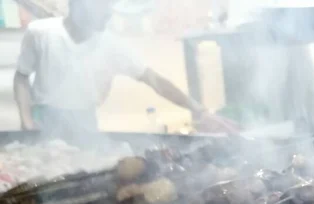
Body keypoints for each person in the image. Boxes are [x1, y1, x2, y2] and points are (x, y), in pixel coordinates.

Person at [14, 0, 237, 139]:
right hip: (45, 119)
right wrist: (26, 119)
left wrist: (200, 111)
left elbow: (154, 81)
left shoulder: (112, 44)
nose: (108, 11)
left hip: (85, 120)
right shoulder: (40, 32)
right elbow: (22, 77)